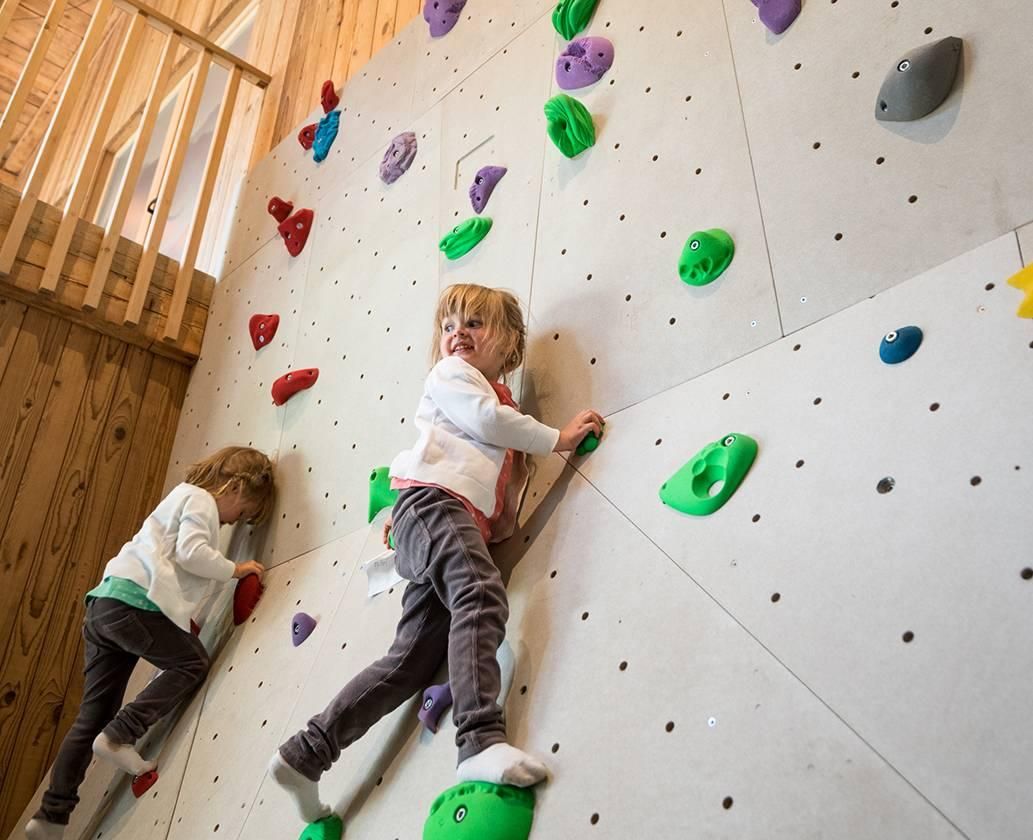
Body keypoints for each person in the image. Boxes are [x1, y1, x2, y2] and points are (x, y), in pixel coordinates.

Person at [269, 283, 603, 825]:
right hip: (432, 506)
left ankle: (305, 753)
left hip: (439, 519)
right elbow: (488, 425)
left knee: (411, 664)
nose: (457, 334)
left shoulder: (496, 398)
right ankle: (478, 742)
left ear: (511, 342)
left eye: (474, 324)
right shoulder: (455, 378)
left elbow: (497, 489)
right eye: (449, 326)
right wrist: (559, 438)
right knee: (478, 592)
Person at [25, 446, 275, 840]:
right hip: (134, 604)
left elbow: (172, 565)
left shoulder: (179, 497)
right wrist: (235, 568)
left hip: (105, 606)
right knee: (190, 663)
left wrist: (183, 619)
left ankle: (50, 817)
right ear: (234, 486)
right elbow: (191, 553)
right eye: (242, 513)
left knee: (91, 714)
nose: (233, 524)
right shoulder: (201, 500)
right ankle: (119, 735)